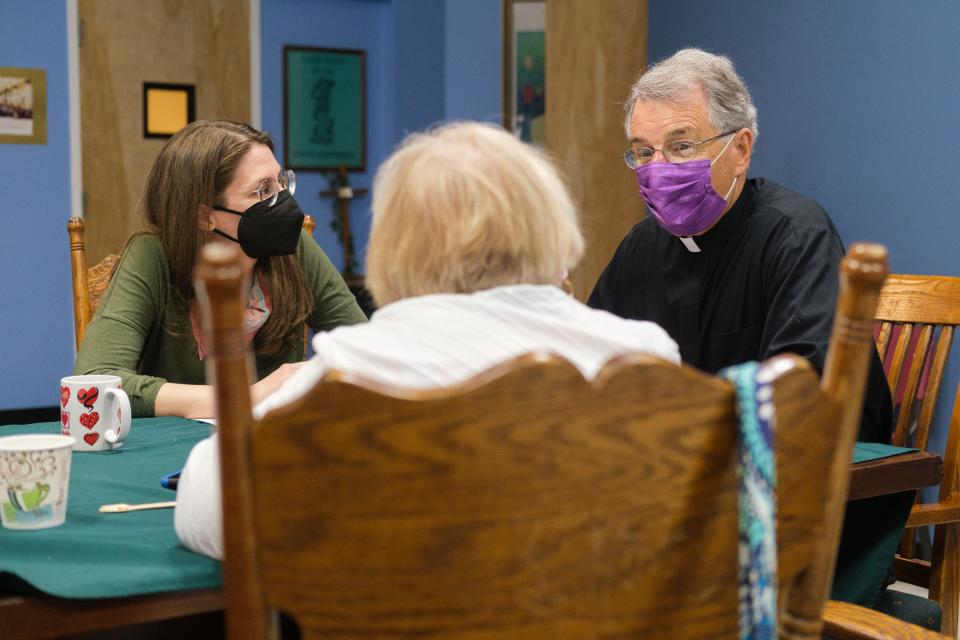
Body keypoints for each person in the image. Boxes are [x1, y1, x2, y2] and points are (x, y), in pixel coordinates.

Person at [174, 121, 681, 559]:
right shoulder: (644, 356)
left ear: (398, 245)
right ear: (551, 224)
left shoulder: (353, 372)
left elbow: (206, 507)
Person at [588, 48, 892, 444]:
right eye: (645, 152)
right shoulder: (640, 248)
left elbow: (803, 394)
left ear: (741, 150)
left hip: (818, 476)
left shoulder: (795, 234)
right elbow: (589, 364)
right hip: (684, 471)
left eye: (681, 147)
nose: (658, 168)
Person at [74, 120, 366, 419]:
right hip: (174, 453)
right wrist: (243, 398)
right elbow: (93, 383)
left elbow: (365, 349)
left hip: (272, 445)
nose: (284, 200)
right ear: (205, 217)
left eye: (281, 181)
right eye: (263, 190)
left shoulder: (294, 248)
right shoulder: (152, 255)